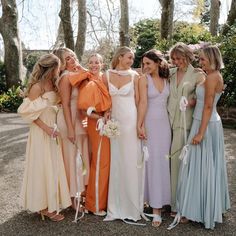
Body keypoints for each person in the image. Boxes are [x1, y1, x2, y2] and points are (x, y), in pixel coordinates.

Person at [169, 45, 230, 230]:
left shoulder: (213, 77)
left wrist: (200, 133)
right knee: (196, 166)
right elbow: (202, 101)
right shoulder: (208, 75)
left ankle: (202, 209)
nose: (200, 62)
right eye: (200, 59)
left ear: (212, 59)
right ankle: (196, 207)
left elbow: (209, 107)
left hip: (206, 124)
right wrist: (189, 103)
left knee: (201, 166)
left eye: (203, 59)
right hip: (200, 120)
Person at [18, 54, 71, 221]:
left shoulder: (53, 84)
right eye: (58, 67)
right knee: (42, 166)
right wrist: (47, 129)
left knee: (53, 165)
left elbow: (53, 105)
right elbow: (29, 114)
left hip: (54, 129)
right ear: (51, 68)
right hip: (41, 131)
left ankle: (50, 203)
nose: (60, 69)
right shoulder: (37, 87)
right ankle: (44, 207)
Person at [103, 46, 144, 223]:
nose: (131, 61)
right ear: (120, 57)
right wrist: (106, 111)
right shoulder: (106, 75)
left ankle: (131, 207)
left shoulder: (135, 76)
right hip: (114, 123)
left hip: (130, 121)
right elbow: (104, 98)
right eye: (129, 57)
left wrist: (139, 125)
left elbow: (139, 101)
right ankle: (115, 207)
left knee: (129, 161)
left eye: (132, 58)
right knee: (116, 162)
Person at [69, 53, 111, 216]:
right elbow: (83, 108)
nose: (94, 65)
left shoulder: (105, 78)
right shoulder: (86, 80)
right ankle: (94, 205)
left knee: (103, 160)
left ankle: (102, 199)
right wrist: (100, 117)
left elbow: (109, 99)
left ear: (102, 64)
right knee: (101, 161)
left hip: (107, 120)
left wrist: (107, 112)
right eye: (91, 62)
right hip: (96, 122)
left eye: (97, 62)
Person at [167, 42, 205, 214]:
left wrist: (190, 102)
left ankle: (179, 204)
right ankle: (170, 199)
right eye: (174, 58)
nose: (176, 61)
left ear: (188, 57)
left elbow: (203, 99)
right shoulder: (171, 73)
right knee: (168, 162)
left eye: (180, 58)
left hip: (185, 124)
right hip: (168, 122)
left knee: (179, 162)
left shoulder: (197, 75)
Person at [52, 48, 90, 209]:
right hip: (68, 121)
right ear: (61, 63)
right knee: (72, 159)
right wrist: (70, 129)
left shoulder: (76, 75)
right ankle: (73, 199)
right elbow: (66, 104)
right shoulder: (65, 78)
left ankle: (80, 192)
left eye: (73, 56)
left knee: (81, 158)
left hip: (80, 121)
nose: (72, 59)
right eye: (67, 59)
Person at [138, 49, 171, 227]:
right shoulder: (143, 79)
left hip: (165, 127)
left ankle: (162, 202)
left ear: (158, 62)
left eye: (148, 63)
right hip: (149, 125)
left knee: (163, 163)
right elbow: (142, 102)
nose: (145, 67)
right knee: (150, 163)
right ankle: (153, 207)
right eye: (143, 64)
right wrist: (140, 124)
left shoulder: (168, 78)